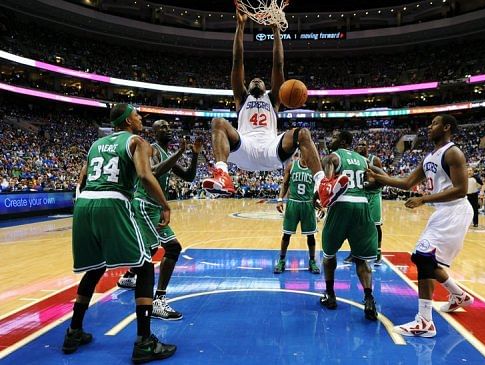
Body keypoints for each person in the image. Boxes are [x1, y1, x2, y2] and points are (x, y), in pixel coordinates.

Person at [62, 104, 176, 362]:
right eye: (137, 115)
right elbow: (146, 176)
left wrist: (86, 204)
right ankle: (145, 341)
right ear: (127, 121)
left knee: (95, 268)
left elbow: (81, 180)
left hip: (84, 204)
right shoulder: (137, 141)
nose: (140, 118)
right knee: (145, 267)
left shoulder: (95, 145)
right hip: (112, 202)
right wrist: (165, 205)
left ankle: (74, 331)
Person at [368, 114, 474, 337]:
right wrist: (379, 177)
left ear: (446, 127)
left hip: (455, 210)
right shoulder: (430, 157)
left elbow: (461, 189)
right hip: (443, 212)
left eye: (434, 123)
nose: (429, 126)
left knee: (424, 258)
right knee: (422, 258)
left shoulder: (453, 152)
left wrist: (424, 199)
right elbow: (406, 182)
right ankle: (458, 295)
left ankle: (425, 321)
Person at [201, 11, 324, 195]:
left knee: (303, 133)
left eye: (260, 80)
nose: (256, 80)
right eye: (253, 80)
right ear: (246, 86)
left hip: (271, 148)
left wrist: (276, 31)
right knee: (218, 122)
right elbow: (237, 61)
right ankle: (222, 175)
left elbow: (278, 64)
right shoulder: (241, 98)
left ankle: (322, 184)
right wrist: (240, 26)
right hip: (245, 147)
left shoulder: (274, 99)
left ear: (267, 87)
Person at [117, 120, 203, 321]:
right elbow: (154, 171)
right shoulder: (150, 149)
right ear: (154, 132)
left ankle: (129, 275)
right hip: (145, 204)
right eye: (162, 127)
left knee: (152, 248)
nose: (167, 129)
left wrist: (195, 154)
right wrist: (179, 154)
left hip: (153, 207)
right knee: (172, 248)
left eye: (168, 126)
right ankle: (158, 300)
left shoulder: (166, 154)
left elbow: (189, 177)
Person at [316, 130, 379, 321]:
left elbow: (328, 173)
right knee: (362, 259)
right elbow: (375, 183)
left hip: (341, 204)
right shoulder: (363, 160)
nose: (330, 139)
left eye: (334, 137)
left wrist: (322, 193)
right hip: (361, 205)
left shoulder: (333, 157)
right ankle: (369, 299)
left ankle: (330, 295)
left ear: (343, 141)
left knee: (329, 255)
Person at [274, 151, 320, 274]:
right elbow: (285, 183)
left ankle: (312, 261)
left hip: (308, 204)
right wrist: (280, 200)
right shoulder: (291, 165)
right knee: (286, 234)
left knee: (311, 235)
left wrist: (319, 201)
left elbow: (320, 186)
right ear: (300, 154)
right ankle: (282, 260)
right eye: (303, 154)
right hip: (293, 203)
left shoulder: (315, 168)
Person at [344, 139, 384, 265]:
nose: (360, 147)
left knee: (375, 225)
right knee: (355, 225)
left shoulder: (375, 160)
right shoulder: (355, 160)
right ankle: (354, 252)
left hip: (373, 195)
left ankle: (378, 253)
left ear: (368, 147)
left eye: (363, 144)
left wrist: (366, 185)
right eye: (359, 145)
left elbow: (382, 179)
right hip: (360, 196)